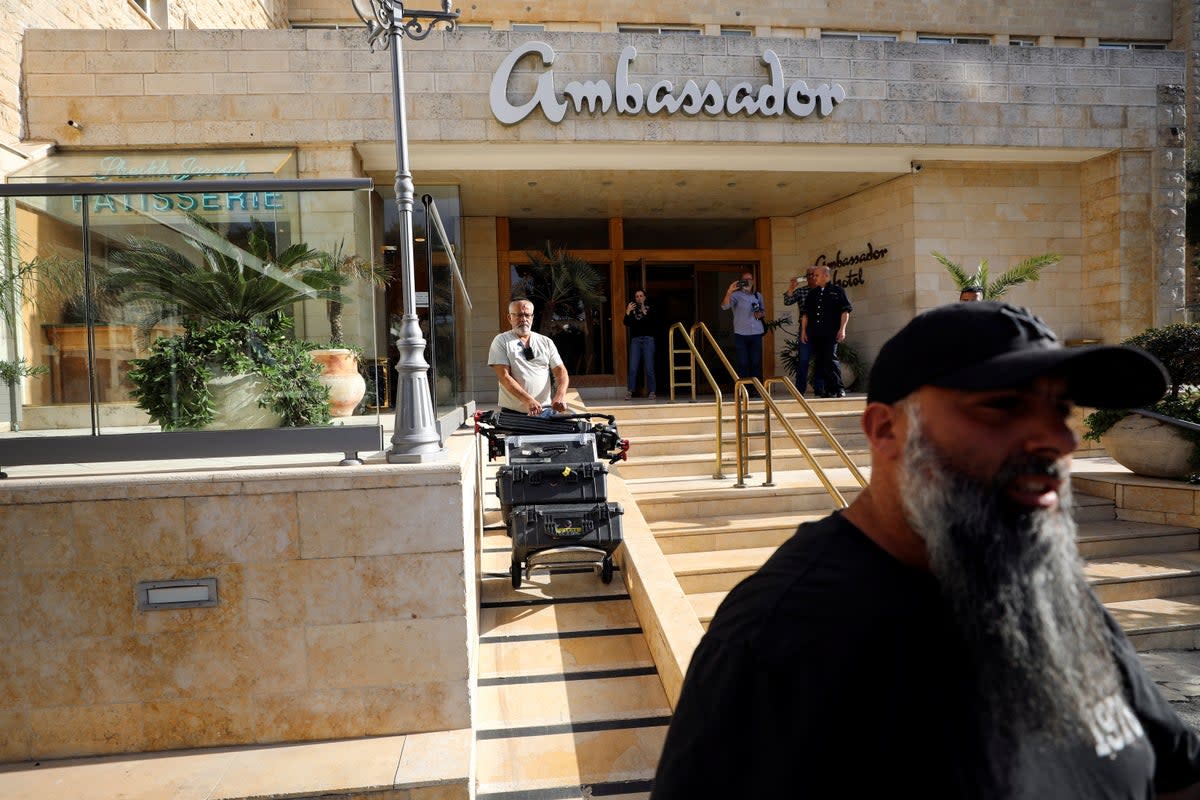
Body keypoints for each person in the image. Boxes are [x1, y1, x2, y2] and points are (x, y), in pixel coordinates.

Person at [651, 302, 1200, 800]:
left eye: (1061, 409)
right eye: (1002, 406)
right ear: (885, 430)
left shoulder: (1043, 583)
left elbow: (1174, 770)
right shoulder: (785, 640)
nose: (1059, 440)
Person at [487, 298, 569, 416]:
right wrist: (528, 400)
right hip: (514, 414)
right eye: (519, 315)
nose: (523, 319)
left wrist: (560, 395)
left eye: (527, 315)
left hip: (544, 411)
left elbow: (561, 372)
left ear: (532, 317)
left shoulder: (546, 342)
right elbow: (504, 377)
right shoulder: (501, 341)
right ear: (509, 318)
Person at [800, 264, 852, 397]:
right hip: (815, 333)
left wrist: (842, 329)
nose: (814, 278)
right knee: (821, 361)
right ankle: (828, 389)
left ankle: (839, 388)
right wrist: (804, 332)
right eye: (813, 275)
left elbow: (845, 311)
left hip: (831, 333)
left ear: (826, 276)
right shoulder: (812, 294)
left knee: (830, 358)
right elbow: (805, 315)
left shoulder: (837, 291)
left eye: (816, 275)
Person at [782, 268, 824, 396]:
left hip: (822, 328)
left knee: (820, 359)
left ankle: (819, 388)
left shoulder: (824, 291)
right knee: (803, 359)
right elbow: (787, 301)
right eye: (809, 275)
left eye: (814, 275)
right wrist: (791, 287)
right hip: (805, 329)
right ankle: (800, 390)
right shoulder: (801, 291)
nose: (812, 277)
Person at [721, 271, 766, 381]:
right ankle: (744, 389)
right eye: (745, 279)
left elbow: (763, 311)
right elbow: (724, 306)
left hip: (756, 333)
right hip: (741, 334)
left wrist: (760, 313)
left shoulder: (758, 295)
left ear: (753, 281)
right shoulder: (735, 295)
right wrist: (729, 291)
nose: (748, 281)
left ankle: (756, 389)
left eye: (750, 279)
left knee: (756, 362)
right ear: (741, 282)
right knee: (743, 363)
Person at [623, 288, 657, 400]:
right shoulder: (632, 308)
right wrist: (627, 311)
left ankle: (652, 391)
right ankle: (630, 391)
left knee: (649, 367)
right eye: (637, 296)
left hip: (648, 339)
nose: (639, 298)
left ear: (645, 297)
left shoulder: (650, 307)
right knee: (633, 367)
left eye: (641, 296)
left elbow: (651, 322)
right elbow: (626, 323)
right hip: (636, 340)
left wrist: (644, 311)